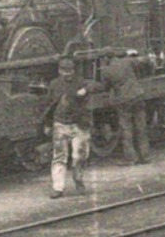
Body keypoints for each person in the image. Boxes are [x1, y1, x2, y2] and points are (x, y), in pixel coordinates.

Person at [42, 57, 101, 198]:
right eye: (63, 71)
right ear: (59, 71)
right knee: (58, 158)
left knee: (79, 156)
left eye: (69, 71)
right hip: (60, 124)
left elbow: (98, 85)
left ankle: (78, 179)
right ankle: (58, 188)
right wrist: (47, 124)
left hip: (78, 124)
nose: (66, 74)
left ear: (73, 71)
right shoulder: (54, 85)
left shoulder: (80, 82)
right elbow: (49, 105)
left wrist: (85, 89)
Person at [105, 50, 149, 165]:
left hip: (124, 100)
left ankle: (131, 158)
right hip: (137, 96)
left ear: (106, 58)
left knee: (126, 129)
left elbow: (105, 87)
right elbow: (145, 60)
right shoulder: (127, 61)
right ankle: (145, 156)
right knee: (141, 127)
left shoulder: (107, 71)